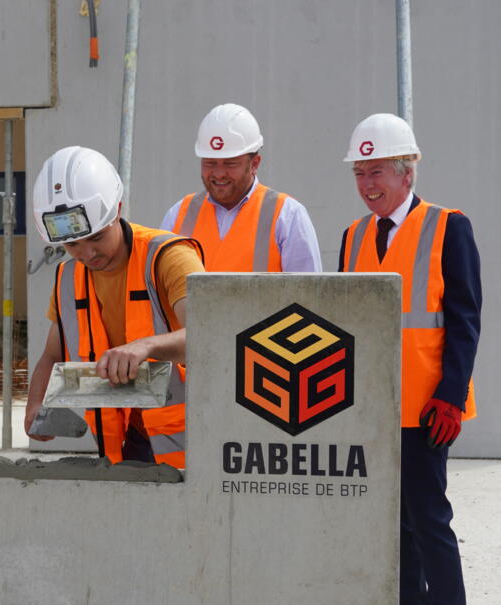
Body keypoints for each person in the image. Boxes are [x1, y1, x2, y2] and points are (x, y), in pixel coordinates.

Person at [339, 113, 479, 605]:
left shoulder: (448, 227)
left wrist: (451, 396)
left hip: (425, 409)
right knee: (389, 524)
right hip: (373, 409)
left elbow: (465, 320)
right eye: (359, 172)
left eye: (376, 171)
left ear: (407, 172)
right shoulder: (353, 237)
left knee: (428, 520)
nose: (366, 184)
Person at [25, 146, 205, 467]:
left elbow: (208, 337)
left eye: (96, 237)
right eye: (72, 244)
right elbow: (52, 354)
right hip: (127, 443)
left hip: (196, 437)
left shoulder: (167, 258)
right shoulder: (68, 277)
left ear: (117, 210)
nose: (87, 253)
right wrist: (35, 405)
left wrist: (144, 347)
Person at [161, 103, 321, 272]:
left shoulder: (287, 216)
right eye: (210, 163)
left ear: (255, 164)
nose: (219, 173)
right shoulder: (177, 216)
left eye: (230, 163)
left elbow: (307, 294)